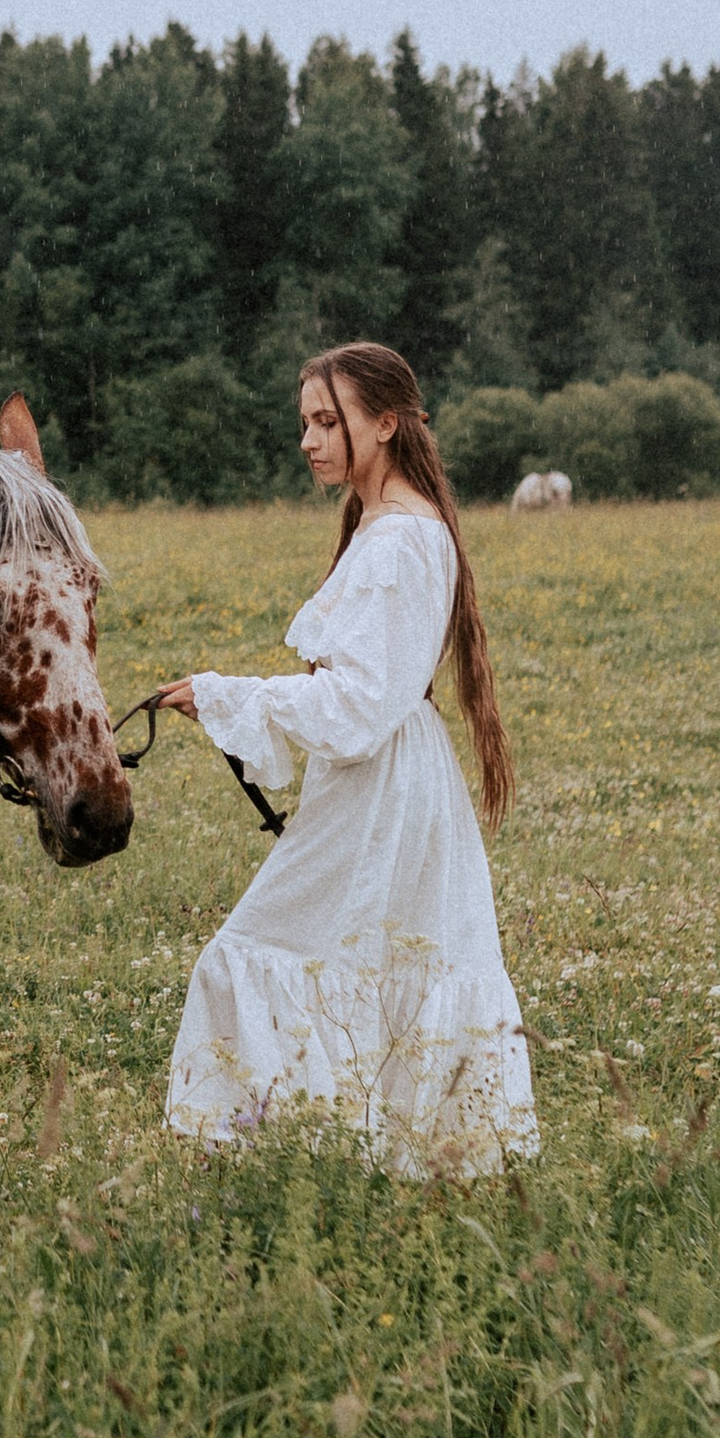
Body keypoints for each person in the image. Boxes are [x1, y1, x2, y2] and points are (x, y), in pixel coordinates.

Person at [157, 342, 535, 1178]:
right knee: (367, 959)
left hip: (383, 785)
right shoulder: (382, 524)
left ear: (387, 424)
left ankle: (297, 1153)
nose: (309, 440)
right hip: (387, 782)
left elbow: (359, 709)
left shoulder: (400, 541)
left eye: (328, 422)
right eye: (305, 423)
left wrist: (229, 696)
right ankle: (344, 1157)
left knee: (263, 947)